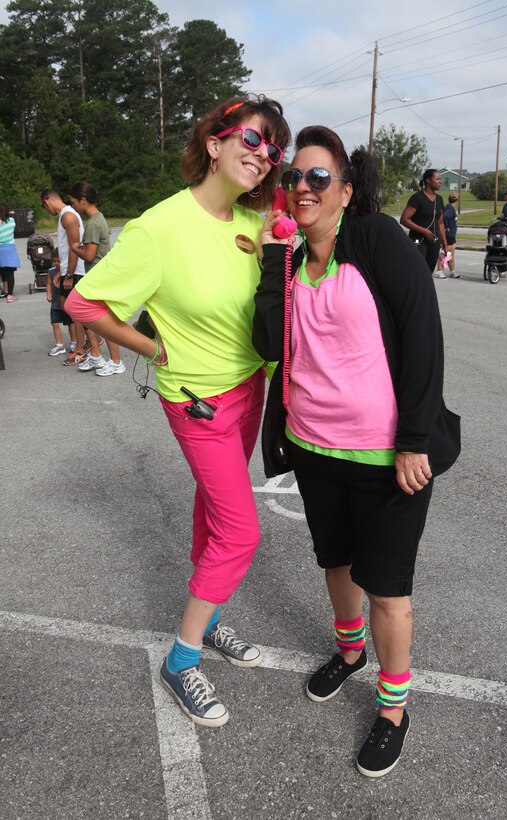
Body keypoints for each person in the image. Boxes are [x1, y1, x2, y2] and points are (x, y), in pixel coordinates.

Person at [64, 95, 291, 727]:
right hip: (197, 400)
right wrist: (151, 347)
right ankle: (182, 659)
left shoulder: (253, 218)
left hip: (250, 389)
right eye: (251, 139)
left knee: (214, 514)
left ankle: (211, 620)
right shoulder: (159, 228)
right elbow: (85, 303)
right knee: (242, 532)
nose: (263, 155)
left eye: (273, 148)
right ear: (213, 144)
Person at [254, 126, 459, 778]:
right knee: (335, 562)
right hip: (314, 448)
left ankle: (393, 710)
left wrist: (413, 441)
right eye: (295, 177)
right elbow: (267, 342)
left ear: (345, 189)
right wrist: (268, 260)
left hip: (384, 456)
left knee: (387, 592)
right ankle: (349, 655)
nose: (303, 188)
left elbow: (422, 330)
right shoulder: (288, 258)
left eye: (319, 178)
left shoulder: (373, 240)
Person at [68, 182, 125, 376]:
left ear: (83, 200)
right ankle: (96, 355)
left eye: (74, 202)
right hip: (97, 276)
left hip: (97, 277)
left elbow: (90, 255)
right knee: (88, 317)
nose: (73, 206)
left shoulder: (92, 223)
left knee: (103, 320)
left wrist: (74, 246)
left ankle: (116, 362)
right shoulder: (97, 218)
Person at [40, 189, 90, 364]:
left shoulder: (68, 216)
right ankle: (88, 340)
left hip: (76, 271)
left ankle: (81, 348)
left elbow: (74, 247)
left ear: (47, 201)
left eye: (44, 207)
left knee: (74, 310)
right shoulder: (65, 216)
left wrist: (68, 274)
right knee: (65, 307)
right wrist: (61, 273)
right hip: (68, 270)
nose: (46, 210)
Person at [400, 169, 449, 277]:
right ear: (428, 180)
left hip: (434, 241)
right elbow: (404, 219)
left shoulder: (439, 199)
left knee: (428, 273)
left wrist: (445, 245)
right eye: (437, 179)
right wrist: (423, 230)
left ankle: (425, 293)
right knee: (417, 271)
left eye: (440, 179)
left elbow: (440, 223)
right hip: (418, 240)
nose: (440, 181)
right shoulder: (417, 198)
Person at [46, 247, 77, 356]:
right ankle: (59, 344)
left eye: (59, 261)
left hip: (66, 303)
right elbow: (49, 283)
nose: (57, 263)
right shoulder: (51, 271)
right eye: (54, 261)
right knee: (54, 323)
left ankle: (74, 342)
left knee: (71, 323)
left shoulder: (67, 273)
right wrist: (48, 293)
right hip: (55, 303)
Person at [0, 204, 21, 302]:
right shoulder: (12, 221)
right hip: (9, 249)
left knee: (2, 272)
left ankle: (4, 289)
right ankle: (10, 295)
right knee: (10, 274)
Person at [437, 192, 459, 278]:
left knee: (451, 253)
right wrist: (447, 226)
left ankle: (452, 271)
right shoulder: (450, 209)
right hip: (449, 234)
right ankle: (439, 271)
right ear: (457, 199)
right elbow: (445, 216)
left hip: (451, 235)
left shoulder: (448, 207)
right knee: (446, 253)